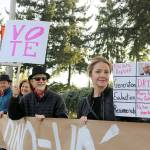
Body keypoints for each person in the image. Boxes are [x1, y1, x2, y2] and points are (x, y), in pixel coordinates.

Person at [77, 56, 115, 124]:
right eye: (98, 72)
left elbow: (134, 125)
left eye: (106, 72)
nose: (103, 75)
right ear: (90, 75)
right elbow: (78, 130)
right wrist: (80, 122)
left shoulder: (119, 98)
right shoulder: (84, 103)